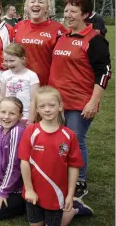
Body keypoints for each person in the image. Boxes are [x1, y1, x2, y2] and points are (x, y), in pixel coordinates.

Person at [49, 0, 112, 198]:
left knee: (75, 139)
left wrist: (93, 101)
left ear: (85, 14)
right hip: (56, 102)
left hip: (79, 102)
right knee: (57, 139)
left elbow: (104, 72)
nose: (68, 15)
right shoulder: (61, 36)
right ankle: (62, 174)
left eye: (73, 11)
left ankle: (80, 181)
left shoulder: (95, 39)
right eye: (66, 11)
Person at [18, 86, 92, 226]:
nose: (47, 109)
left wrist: (70, 195)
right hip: (33, 192)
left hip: (57, 194)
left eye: (52, 105)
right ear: (37, 109)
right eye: (42, 106)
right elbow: (24, 162)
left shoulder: (69, 135)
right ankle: (71, 211)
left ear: (60, 106)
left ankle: (72, 210)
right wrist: (29, 189)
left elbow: (73, 167)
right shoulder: (30, 131)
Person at [13, 0, 66, 85]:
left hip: (45, 85)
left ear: (47, 7)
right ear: (27, 6)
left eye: (41, 2)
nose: (36, 4)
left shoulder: (58, 29)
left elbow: (64, 61)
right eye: (32, 1)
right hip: (20, 83)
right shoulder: (18, 26)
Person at [0, 43, 39, 124]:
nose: (9, 64)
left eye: (12, 61)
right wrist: (1, 115)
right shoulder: (5, 75)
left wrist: (30, 120)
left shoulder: (31, 76)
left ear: (23, 59)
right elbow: (2, 97)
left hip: (25, 117)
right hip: (8, 117)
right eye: (6, 61)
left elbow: (34, 100)